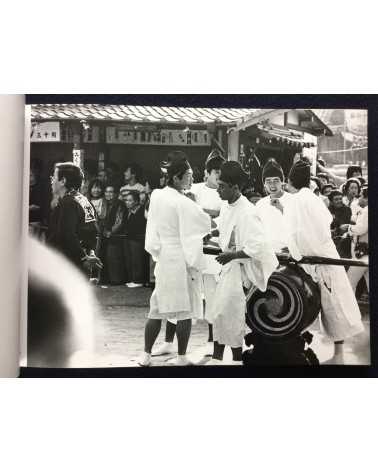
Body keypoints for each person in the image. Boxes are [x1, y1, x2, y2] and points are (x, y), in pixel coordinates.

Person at [281, 160, 364, 364]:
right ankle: (338, 353)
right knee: (334, 301)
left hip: (316, 255)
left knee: (332, 303)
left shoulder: (296, 200)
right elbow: (325, 221)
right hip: (324, 251)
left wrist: (296, 252)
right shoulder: (311, 197)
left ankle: (339, 356)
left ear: (290, 181)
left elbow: (294, 232)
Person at [139, 151, 211, 367]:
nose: (191, 178)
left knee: (157, 307)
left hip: (163, 256)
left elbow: (151, 229)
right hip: (180, 257)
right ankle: (181, 356)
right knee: (184, 310)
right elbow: (204, 222)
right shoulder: (183, 202)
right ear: (177, 177)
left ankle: (146, 354)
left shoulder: (157, 195)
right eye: (188, 175)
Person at [205, 161, 278, 365]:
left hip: (243, 270)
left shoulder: (248, 211)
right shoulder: (228, 204)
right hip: (230, 268)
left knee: (231, 312)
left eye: (222, 186)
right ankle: (217, 357)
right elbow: (227, 225)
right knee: (218, 312)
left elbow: (258, 245)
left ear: (235, 188)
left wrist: (232, 255)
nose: (218, 190)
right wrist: (213, 232)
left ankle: (236, 360)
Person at [47, 162, 102, 274]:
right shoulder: (84, 200)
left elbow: (67, 234)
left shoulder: (68, 202)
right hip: (82, 262)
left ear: (63, 181)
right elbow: (93, 232)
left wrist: (83, 258)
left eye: (54, 177)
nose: (52, 181)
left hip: (67, 263)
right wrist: (90, 254)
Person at [255, 158, 293, 254]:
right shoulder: (260, 204)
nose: (272, 185)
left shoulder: (293, 200)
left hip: (288, 252)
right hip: (267, 252)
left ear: (282, 182)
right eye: (268, 181)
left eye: (276, 180)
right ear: (264, 184)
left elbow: (298, 225)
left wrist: (281, 209)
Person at [343, 186, 369, 295]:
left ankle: (349, 310)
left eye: (362, 196)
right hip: (366, 252)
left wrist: (348, 228)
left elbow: (361, 229)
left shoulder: (367, 210)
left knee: (349, 283)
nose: (360, 199)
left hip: (363, 253)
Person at [101, 185, 126, 285]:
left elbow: (119, 221)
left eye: (111, 192)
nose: (108, 194)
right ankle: (109, 279)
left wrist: (111, 232)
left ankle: (116, 280)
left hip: (115, 235)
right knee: (107, 257)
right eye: (106, 192)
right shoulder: (105, 203)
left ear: (115, 194)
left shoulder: (120, 204)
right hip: (105, 235)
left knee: (114, 257)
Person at [123, 190, 147, 288]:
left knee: (138, 260)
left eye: (130, 200)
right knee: (132, 259)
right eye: (126, 200)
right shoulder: (128, 212)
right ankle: (133, 279)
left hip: (138, 239)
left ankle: (138, 280)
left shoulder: (142, 211)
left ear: (136, 201)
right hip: (130, 238)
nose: (127, 202)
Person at [328, 190, 352, 258]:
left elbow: (345, 225)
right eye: (336, 199)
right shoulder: (327, 210)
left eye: (340, 199)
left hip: (345, 239)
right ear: (331, 202)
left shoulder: (347, 209)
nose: (339, 201)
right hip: (332, 239)